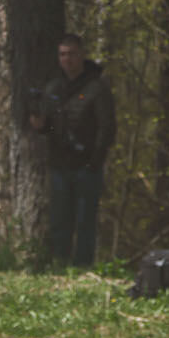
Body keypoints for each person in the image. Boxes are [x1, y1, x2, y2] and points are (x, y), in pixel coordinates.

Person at [34, 32, 117, 270]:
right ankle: (59, 265)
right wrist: (41, 125)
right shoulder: (53, 87)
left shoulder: (96, 87)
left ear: (81, 55)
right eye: (63, 55)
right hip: (59, 164)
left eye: (71, 54)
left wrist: (95, 160)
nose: (67, 59)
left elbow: (107, 127)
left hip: (87, 164)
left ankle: (82, 267)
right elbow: (50, 126)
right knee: (60, 219)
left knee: (85, 220)